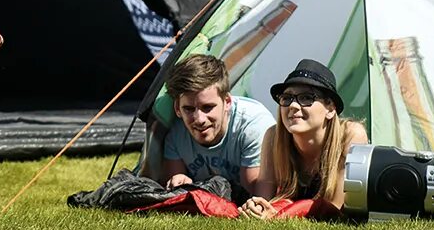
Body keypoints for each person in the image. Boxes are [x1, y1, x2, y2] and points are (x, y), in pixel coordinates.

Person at [240, 59, 369, 219]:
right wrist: (256, 209)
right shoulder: (273, 136)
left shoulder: (350, 135)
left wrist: (280, 216)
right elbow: (263, 200)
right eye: (287, 98)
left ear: (330, 108)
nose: (293, 106)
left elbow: (337, 209)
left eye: (307, 98)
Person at [156, 54, 274, 201]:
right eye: (189, 109)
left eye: (208, 107)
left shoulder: (254, 126)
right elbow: (171, 197)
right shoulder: (175, 131)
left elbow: (259, 199)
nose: (199, 119)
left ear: (227, 102)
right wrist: (179, 180)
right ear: (177, 109)